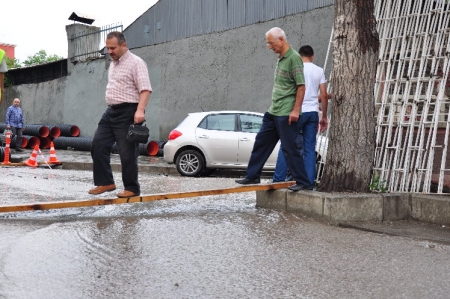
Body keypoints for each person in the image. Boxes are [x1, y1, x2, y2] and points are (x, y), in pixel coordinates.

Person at [235, 27, 311, 191]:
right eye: (268, 43)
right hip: (274, 111)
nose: (269, 46)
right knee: (261, 143)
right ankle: (252, 176)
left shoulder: (294, 58)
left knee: (290, 148)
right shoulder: (281, 58)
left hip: (286, 112)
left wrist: (296, 110)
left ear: (281, 39)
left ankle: (303, 181)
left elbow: (301, 87)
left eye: (271, 43)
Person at [89, 31, 152, 198]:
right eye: (108, 48)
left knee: (127, 152)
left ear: (124, 45)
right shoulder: (113, 63)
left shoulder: (136, 63)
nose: (110, 51)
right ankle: (106, 182)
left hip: (128, 112)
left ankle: (132, 188)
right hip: (111, 111)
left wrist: (140, 110)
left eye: (113, 48)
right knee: (98, 144)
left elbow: (145, 89)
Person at [272, 45, 329, 185]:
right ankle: (308, 183)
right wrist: (324, 116)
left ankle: (278, 180)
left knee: (287, 145)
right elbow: (324, 95)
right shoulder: (319, 71)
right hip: (313, 114)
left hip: (297, 112)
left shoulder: (295, 68)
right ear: (312, 56)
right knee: (310, 149)